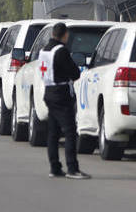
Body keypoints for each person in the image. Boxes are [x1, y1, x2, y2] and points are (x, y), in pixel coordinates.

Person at [41, 22, 90, 180]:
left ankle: (54, 167)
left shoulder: (44, 50)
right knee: (70, 132)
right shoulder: (60, 50)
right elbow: (75, 73)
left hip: (48, 91)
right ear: (65, 35)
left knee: (53, 133)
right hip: (61, 94)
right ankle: (72, 168)